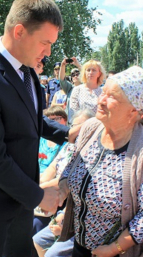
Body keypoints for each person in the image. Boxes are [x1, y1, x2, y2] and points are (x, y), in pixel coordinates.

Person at [0, 0, 79, 257]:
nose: (48, 52)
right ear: (19, 31)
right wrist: (37, 196)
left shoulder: (26, 70)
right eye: (45, 42)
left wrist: (68, 134)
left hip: (18, 203)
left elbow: (29, 119)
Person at [59, 66, 143, 257]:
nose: (101, 100)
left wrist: (113, 248)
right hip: (79, 244)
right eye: (104, 92)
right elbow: (71, 167)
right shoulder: (91, 128)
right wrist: (59, 190)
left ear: (134, 112)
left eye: (112, 97)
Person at [33, 109, 94, 257]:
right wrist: (36, 186)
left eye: (80, 127)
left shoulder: (90, 152)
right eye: (74, 125)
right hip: (56, 198)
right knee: (34, 236)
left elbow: (66, 180)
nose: (74, 131)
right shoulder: (69, 146)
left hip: (68, 207)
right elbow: (53, 169)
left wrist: (36, 192)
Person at [59, 57, 82, 125]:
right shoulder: (69, 88)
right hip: (70, 122)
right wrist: (63, 65)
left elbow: (87, 75)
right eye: (73, 75)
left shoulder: (86, 87)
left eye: (77, 74)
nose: (75, 76)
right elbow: (62, 79)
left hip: (82, 121)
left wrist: (78, 65)